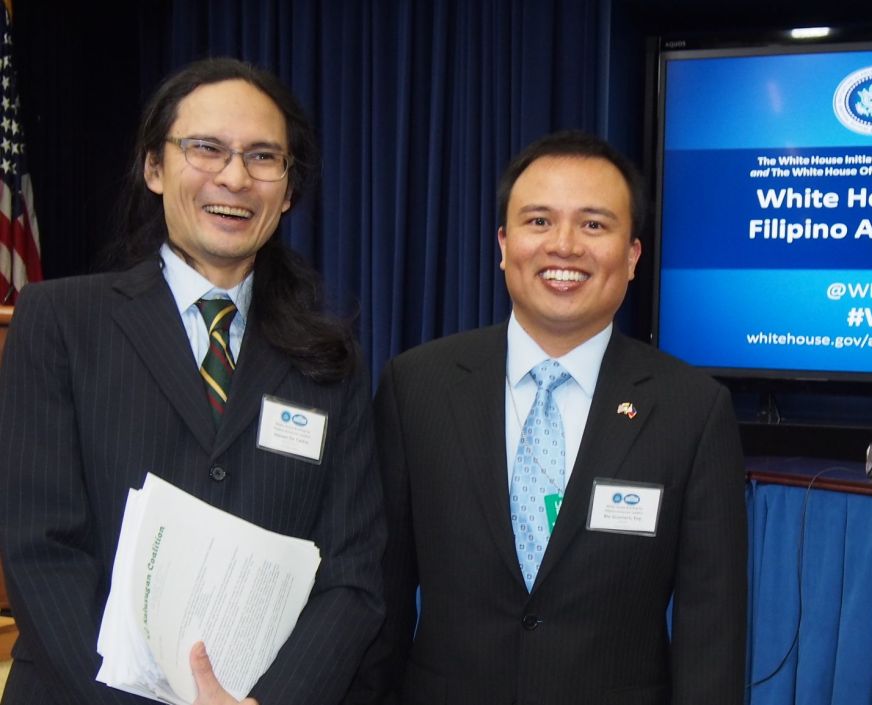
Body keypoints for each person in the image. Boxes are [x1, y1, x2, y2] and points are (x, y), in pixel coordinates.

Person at [0, 58, 385, 705]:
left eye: (263, 156)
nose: (235, 177)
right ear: (154, 167)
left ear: (288, 189)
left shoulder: (329, 360)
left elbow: (353, 572)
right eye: (206, 148)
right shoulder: (60, 322)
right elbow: (41, 549)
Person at [351, 131, 746, 705]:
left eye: (594, 225)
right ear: (503, 244)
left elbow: (712, 634)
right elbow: (379, 600)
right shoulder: (416, 386)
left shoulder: (693, 409)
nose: (564, 246)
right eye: (539, 221)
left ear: (632, 256)